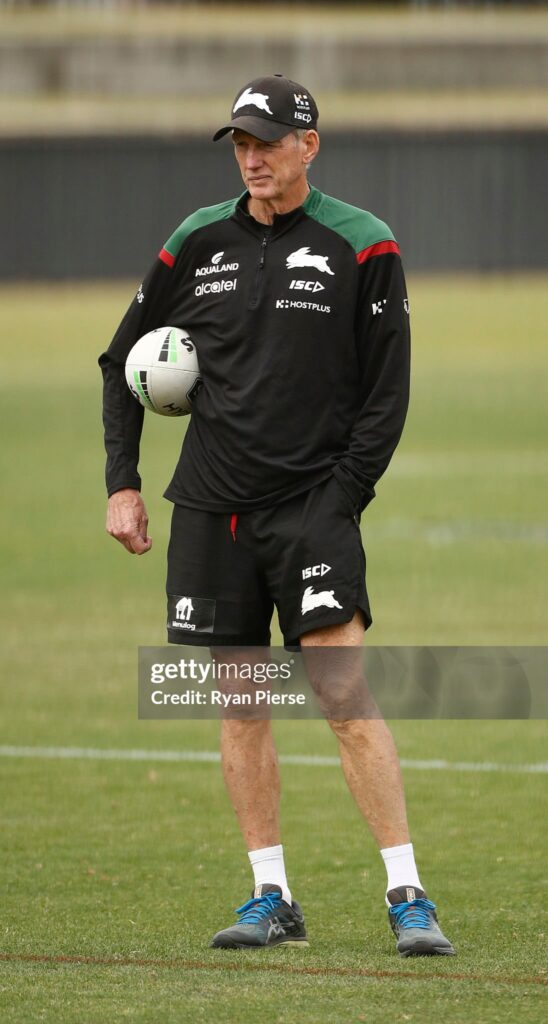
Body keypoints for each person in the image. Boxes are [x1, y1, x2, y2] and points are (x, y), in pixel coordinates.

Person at [99, 74, 454, 957]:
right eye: (240, 144)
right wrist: (124, 482)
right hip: (212, 511)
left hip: (314, 510)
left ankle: (408, 894)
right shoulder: (198, 239)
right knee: (242, 705)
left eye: (267, 141)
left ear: (310, 146)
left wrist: (341, 502)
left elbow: (387, 394)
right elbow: (121, 361)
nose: (252, 158)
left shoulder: (363, 245)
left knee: (343, 696)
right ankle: (272, 895)